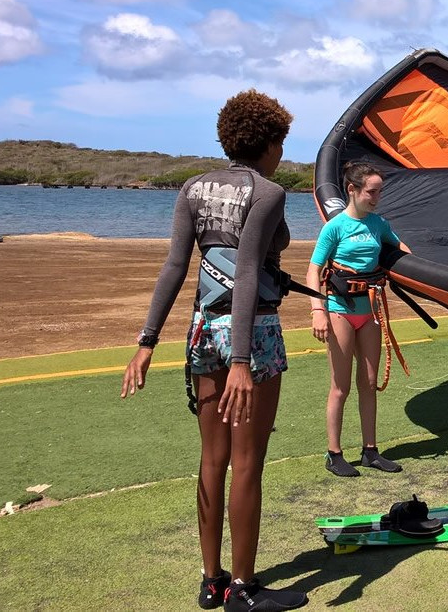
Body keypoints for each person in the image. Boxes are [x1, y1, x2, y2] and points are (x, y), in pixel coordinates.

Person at [120, 90, 307, 612]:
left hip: (202, 329)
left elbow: (175, 268)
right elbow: (247, 272)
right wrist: (244, 361)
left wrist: (146, 342)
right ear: (270, 141)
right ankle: (244, 589)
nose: (281, 153)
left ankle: (212, 580)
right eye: (281, 143)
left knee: (213, 458)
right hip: (254, 332)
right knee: (248, 462)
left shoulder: (193, 187)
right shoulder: (267, 192)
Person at [307, 162, 405, 477]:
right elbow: (313, 269)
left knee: (369, 383)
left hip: (370, 310)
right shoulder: (334, 227)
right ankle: (334, 454)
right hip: (340, 309)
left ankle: (370, 451)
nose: (377, 197)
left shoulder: (379, 224)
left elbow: (401, 249)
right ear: (352, 190)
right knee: (341, 386)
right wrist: (317, 310)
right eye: (372, 192)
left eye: (379, 192)